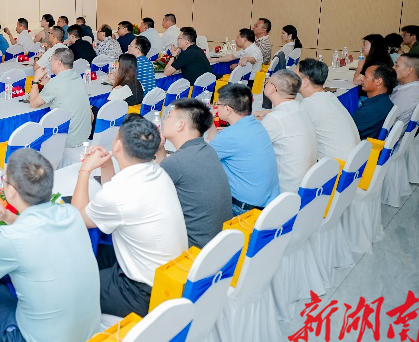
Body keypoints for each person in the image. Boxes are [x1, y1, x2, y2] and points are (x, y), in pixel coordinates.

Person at [0, 150, 100, 342]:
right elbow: (34, 227)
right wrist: (5, 216)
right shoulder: (70, 213)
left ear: (11, 191)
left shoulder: (14, 239)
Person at [73, 116, 187, 317]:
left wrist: (85, 170)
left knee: (73, 289)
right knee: (96, 254)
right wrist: (106, 166)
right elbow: (114, 198)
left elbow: (79, 218)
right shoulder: (157, 172)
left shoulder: (119, 194)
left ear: (117, 145)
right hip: (168, 277)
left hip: (142, 292)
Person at [159, 99, 232, 248]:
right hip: (219, 245)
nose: (164, 120)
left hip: (193, 251)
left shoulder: (177, 162)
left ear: (180, 124)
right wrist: (160, 150)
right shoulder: (208, 149)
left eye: (168, 116)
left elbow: (148, 191)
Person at [211, 84, 280, 216]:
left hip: (246, 210)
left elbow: (202, 159)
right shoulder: (256, 125)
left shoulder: (230, 136)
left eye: (217, 104)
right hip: (270, 204)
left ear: (227, 109)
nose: (215, 107)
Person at [253, 70, 318, 194]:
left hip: (284, 192)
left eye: (268, 81)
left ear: (272, 88)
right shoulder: (300, 108)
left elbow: (250, 144)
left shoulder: (275, 119)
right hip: (305, 187)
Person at [30, 48, 92, 164]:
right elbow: (60, 88)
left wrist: (35, 80)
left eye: (51, 60)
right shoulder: (76, 76)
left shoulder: (55, 84)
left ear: (58, 62)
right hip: (84, 135)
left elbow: (33, 103)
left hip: (68, 140)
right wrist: (46, 81)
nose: (50, 63)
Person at [296, 58, 361, 160]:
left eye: (295, 75)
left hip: (336, 169)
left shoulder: (309, 104)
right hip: (353, 165)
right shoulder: (329, 97)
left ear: (305, 82)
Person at [352, 64, 398, 139]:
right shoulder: (386, 102)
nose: (362, 79)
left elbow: (344, 131)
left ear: (378, 81)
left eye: (366, 76)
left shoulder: (370, 110)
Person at [391, 53, 419, 126]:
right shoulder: (414, 89)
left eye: (397, 65)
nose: (393, 68)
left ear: (409, 70)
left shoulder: (405, 96)